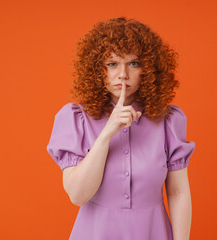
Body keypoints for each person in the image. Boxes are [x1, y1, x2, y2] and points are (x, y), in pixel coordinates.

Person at [46, 17, 195, 240]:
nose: (122, 74)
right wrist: (108, 131)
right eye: (112, 64)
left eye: (133, 63)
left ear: (149, 69)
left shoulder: (168, 121)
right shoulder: (75, 118)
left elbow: (178, 192)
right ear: (98, 69)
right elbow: (78, 196)